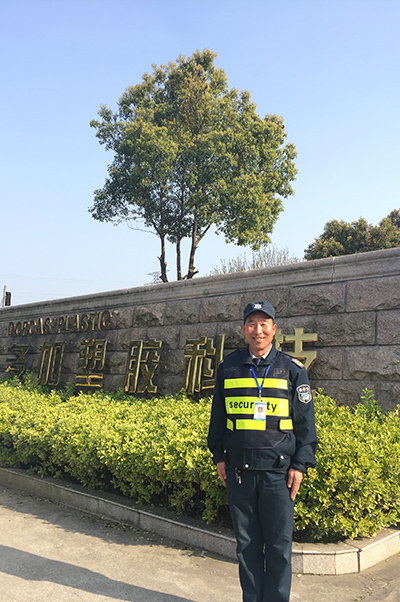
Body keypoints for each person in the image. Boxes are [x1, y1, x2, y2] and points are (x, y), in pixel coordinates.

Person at [207, 301, 317, 602]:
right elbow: (218, 417)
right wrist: (219, 456)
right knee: (247, 546)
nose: (258, 330)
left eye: (264, 324)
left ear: (274, 329)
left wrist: (300, 465)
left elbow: (305, 423)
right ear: (243, 329)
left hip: (279, 474)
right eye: (252, 324)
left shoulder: (291, 370)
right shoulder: (229, 368)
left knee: (279, 547)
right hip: (239, 472)